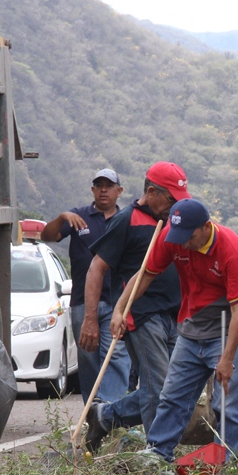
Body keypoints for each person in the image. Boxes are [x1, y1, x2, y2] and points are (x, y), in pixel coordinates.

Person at [116, 199, 238, 464]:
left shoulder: (231, 249)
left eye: (189, 237)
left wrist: (227, 359)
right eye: (178, 237)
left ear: (206, 227)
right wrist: (120, 308)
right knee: (172, 396)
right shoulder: (173, 237)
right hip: (192, 326)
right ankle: (158, 454)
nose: (182, 244)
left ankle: (227, 464)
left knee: (227, 406)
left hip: (228, 327)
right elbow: (145, 274)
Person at [80, 162, 190, 451]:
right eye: (171, 199)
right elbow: (96, 268)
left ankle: (105, 416)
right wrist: (91, 319)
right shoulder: (126, 220)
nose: (174, 206)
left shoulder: (173, 220)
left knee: (172, 387)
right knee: (159, 387)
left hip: (175, 314)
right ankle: (158, 453)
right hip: (142, 315)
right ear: (151, 192)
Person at [40, 168, 130, 405]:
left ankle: (112, 412)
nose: (103, 190)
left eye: (109, 186)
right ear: (92, 189)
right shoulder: (79, 216)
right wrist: (62, 217)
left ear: (118, 191)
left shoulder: (126, 220)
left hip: (116, 301)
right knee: (87, 357)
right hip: (82, 301)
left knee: (117, 354)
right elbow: (47, 236)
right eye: (99, 185)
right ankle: (93, 411)